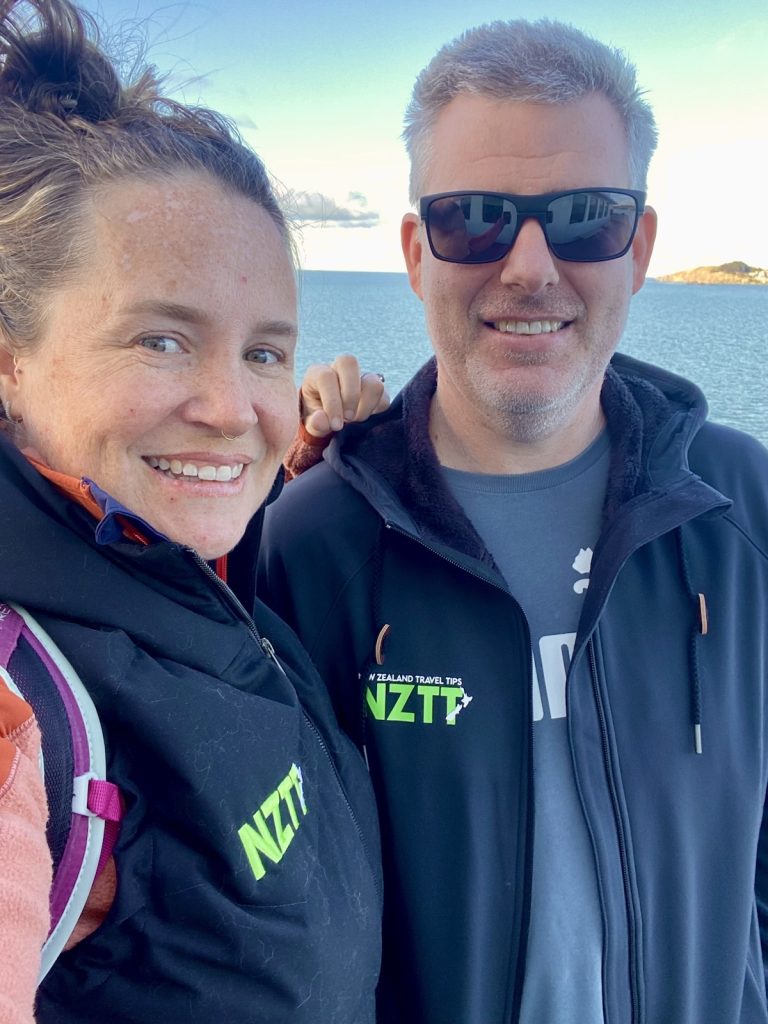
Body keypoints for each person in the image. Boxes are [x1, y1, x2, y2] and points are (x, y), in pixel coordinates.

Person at [259, 19, 768, 1024]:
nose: (530, 265)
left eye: (584, 215)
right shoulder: (310, 543)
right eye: (475, 217)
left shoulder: (743, 510)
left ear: (641, 248)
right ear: (415, 253)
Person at [0, 2, 383, 1021]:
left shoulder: (175, 570)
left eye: (263, 352)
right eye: (161, 340)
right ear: (11, 358)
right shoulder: (23, 716)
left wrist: (295, 474)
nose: (229, 408)